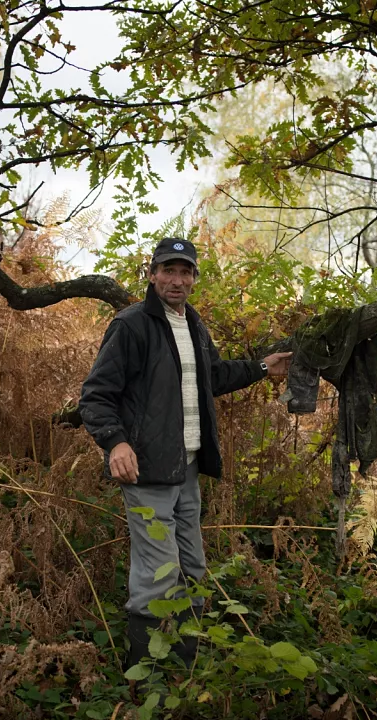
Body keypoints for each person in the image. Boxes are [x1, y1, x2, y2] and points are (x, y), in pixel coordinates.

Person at [79, 237, 291, 671]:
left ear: (194, 279)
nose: (177, 280)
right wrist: (115, 442)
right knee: (157, 573)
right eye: (168, 271)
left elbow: (212, 376)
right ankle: (145, 675)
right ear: (152, 274)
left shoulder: (192, 324)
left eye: (185, 272)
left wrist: (263, 367)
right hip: (148, 470)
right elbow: (96, 395)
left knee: (193, 567)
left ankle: (184, 666)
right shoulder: (131, 325)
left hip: (188, 468)